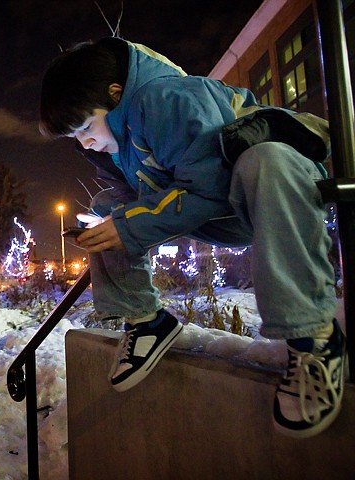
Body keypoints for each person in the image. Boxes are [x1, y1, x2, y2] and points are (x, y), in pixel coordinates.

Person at [39, 37, 344, 439]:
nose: (85, 142)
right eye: (75, 137)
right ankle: (148, 321)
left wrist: (129, 226)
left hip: (275, 187)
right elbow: (144, 200)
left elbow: (211, 184)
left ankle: (315, 339)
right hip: (221, 208)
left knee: (264, 159)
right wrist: (112, 222)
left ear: (115, 95)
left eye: (86, 128)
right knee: (106, 207)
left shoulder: (166, 99)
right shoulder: (119, 143)